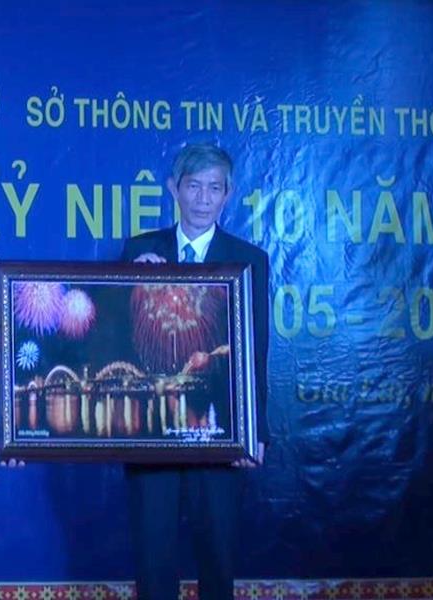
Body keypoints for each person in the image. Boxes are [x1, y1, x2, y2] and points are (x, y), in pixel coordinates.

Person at [120, 142, 270, 599]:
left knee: (218, 557)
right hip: (153, 434)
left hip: (222, 432)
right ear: (174, 188)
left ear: (228, 194)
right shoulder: (140, 250)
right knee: (153, 558)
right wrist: (132, 285)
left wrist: (254, 431)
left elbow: (257, 349)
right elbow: (116, 334)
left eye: (214, 188)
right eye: (193, 186)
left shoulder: (249, 259)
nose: (203, 199)